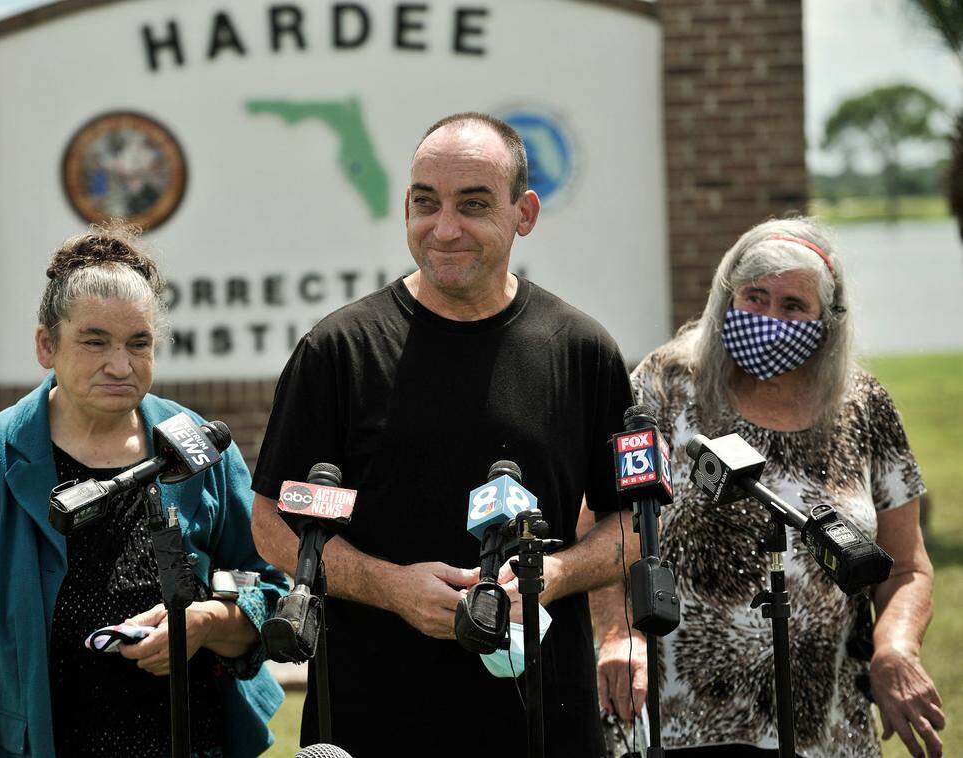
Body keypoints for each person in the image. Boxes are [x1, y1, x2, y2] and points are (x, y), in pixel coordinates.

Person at [250, 112, 637, 757]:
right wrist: (392, 588)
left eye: (474, 204)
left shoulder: (581, 351)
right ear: (405, 206)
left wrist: (549, 575)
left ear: (525, 213)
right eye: (426, 204)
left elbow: (632, 525)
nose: (445, 228)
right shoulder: (339, 351)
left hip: (542, 719)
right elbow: (273, 521)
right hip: (373, 718)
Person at [0, 225, 286, 758]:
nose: (120, 365)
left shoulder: (198, 448)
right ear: (46, 345)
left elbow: (269, 590)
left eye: (138, 343)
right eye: (94, 341)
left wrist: (205, 623)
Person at [591, 217, 944, 758]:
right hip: (676, 717)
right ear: (725, 298)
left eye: (793, 306)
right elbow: (604, 524)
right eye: (755, 297)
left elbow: (906, 567)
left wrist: (895, 645)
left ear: (826, 321)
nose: (770, 319)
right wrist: (619, 633)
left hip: (825, 725)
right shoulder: (664, 387)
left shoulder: (864, 406)